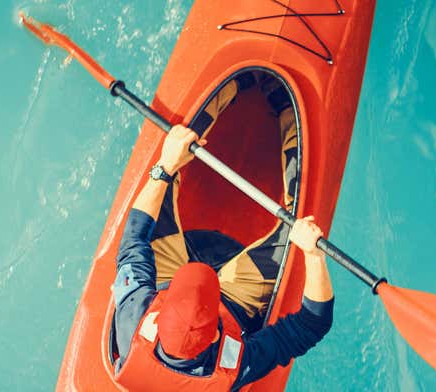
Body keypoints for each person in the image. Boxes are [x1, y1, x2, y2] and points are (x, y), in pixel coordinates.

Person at [111, 77, 335, 391]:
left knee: (164, 180)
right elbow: (312, 324)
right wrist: (312, 253)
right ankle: (285, 105)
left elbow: (134, 237)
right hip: (235, 303)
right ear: (216, 336)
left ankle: (230, 90)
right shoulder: (238, 364)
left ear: (158, 315)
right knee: (291, 234)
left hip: (164, 279)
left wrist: (164, 165)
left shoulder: (134, 316)